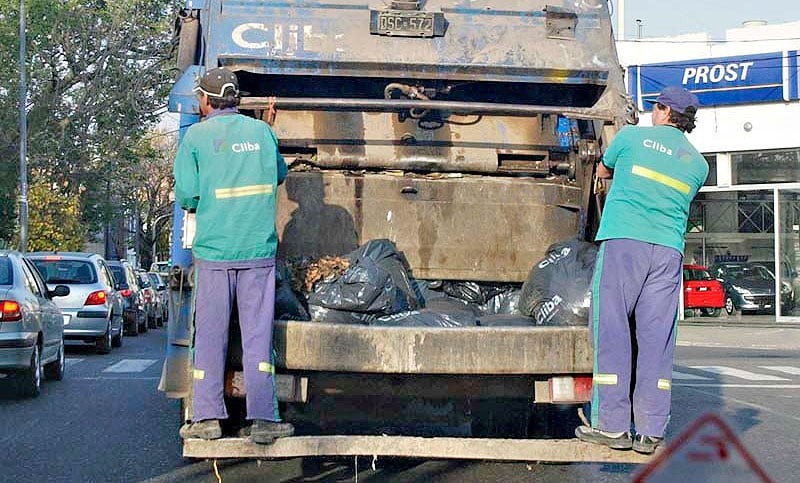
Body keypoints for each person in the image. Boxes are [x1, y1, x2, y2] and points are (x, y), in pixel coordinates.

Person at [575, 86, 709, 454]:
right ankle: (650, 431)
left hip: (624, 244)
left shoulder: (631, 138)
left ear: (665, 111)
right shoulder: (699, 164)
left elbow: (601, 171)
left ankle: (612, 426)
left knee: (614, 330)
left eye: (656, 106)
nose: (653, 112)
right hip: (667, 253)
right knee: (656, 339)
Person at [174, 67, 293, 444]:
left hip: (215, 253)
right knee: (258, 336)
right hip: (257, 251)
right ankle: (264, 420)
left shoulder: (195, 136)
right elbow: (278, 174)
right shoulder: (262, 132)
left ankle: (207, 417)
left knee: (210, 335)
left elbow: (188, 196)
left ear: (206, 101)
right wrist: (265, 131)